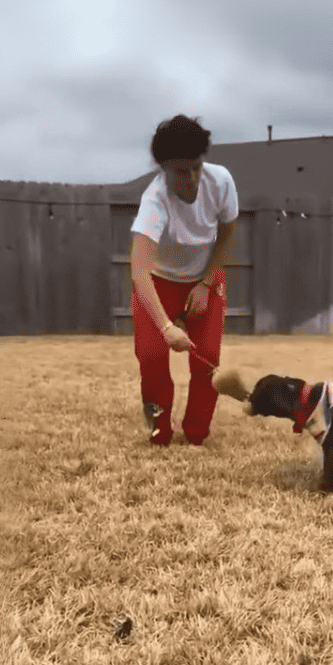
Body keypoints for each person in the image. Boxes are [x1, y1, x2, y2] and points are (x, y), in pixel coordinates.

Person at [130, 115, 239, 445]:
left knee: (207, 358)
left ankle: (196, 432)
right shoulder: (155, 201)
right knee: (151, 358)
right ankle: (160, 429)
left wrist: (206, 284)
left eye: (196, 167)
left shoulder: (220, 182)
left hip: (203, 278)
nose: (191, 178)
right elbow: (139, 270)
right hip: (159, 281)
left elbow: (227, 233)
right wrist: (166, 327)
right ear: (163, 168)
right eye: (180, 171)